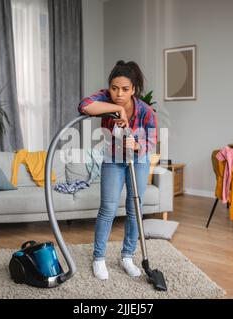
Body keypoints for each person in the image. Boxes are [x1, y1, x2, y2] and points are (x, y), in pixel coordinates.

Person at [78, 60, 158, 280]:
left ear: (133, 89)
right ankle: (99, 258)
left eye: (124, 89)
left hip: (138, 161)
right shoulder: (106, 99)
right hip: (112, 160)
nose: (119, 93)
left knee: (135, 208)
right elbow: (84, 105)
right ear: (109, 87)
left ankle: (127, 256)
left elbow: (152, 140)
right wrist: (117, 109)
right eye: (115, 88)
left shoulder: (146, 111)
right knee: (108, 208)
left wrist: (139, 145)